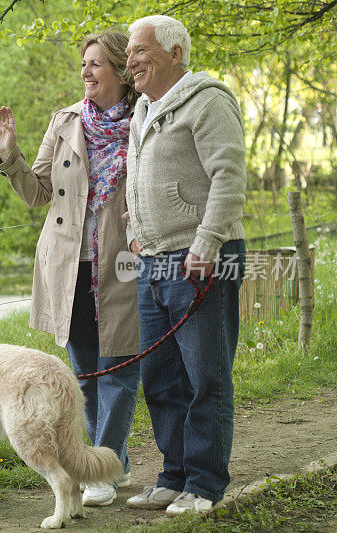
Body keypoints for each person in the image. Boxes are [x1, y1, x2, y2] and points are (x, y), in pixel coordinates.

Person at [0, 31, 140, 507]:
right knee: (84, 372)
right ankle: (106, 460)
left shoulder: (147, 118)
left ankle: (104, 467)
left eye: (96, 64)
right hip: (68, 262)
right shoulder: (65, 121)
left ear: (119, 70)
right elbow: (37, 192)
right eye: (83, 64)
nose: (86, 72)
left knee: (118, 363)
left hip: (123, 261)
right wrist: (10, 154)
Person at [122, 15, 247, 515]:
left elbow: (229, 177)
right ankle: (173, 477)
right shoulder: (143, 109)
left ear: (175, 53)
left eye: (140, 50)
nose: (130, 59)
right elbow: (137, 182)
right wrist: (135, 233)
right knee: (161, 379)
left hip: (202, 260)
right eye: (129, 52)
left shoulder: (208, 101)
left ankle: (205, 485)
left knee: (205, 378)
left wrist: (207, 244)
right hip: (152, 263)